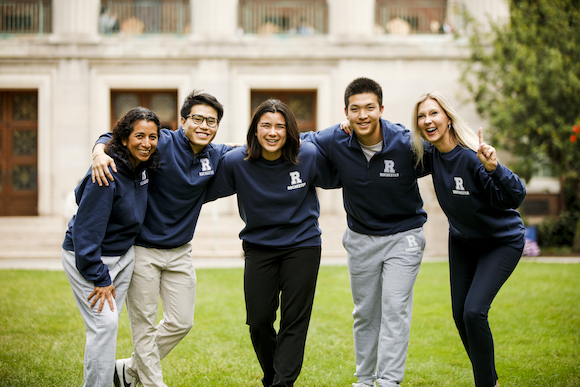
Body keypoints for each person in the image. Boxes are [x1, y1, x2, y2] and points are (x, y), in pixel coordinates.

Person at [91, 91, 232, 387]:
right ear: (183, 121)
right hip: (143, 250)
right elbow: (114, 134)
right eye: (197, 119)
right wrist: (98, 152)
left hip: (180, 252)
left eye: (212, 121)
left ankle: (127, 372)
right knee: (143, 327)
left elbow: (254, 148)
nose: (204, 125)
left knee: (182, 322)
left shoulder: (215, 154)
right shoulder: (161, 142)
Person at [302, 77, 429, 387]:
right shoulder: (334, 139)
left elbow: (446, 154)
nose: (362, 115)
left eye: (369, 108)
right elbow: (300, 140)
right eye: (355, 109)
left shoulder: (405, 141)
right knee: (365, 313)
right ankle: (365, 379)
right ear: (345, 112)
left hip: (405, 235)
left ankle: (388, 381)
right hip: (361, 238)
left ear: (381, 109)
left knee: (395, 308)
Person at [204, 99, 340, 387]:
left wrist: (346, 132)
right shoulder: (236, 162)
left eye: (280, 126)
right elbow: (198, 189)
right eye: (266, 125)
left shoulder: (308, 156)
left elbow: (343, 172)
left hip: (302, 245)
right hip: (258, 246)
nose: (273, 132)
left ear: (290, 131)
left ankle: (282, 383)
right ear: (255, 129)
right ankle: (272, 376)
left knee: (295, 320)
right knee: (259, 320)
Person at [411, 91, 525, 387]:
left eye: (433, 113)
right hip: (463, 240)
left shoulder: (471, 156)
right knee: (460, 316)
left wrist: (494, 168)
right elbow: (392, 148)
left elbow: (515, 196)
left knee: (474, 312)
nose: (427, 120)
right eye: (422, 116)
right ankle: (490, 380)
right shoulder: (431, 156)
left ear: (447, 118)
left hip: (501, 240)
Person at [62, 107, 160, 387]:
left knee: (106, 327)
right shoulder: (106, 172)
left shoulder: (143, 162)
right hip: (89, 257)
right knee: (104, 325)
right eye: (139, 136)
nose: (146, 143)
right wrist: (100, 276)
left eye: (152, 137)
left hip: (123, 254)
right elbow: (86, 233)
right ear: (125, 139)